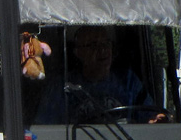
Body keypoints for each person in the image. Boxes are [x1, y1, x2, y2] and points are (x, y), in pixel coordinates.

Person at [38, 26, 166, 123]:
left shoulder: (128, 81)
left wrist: (156, 120)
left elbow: (150, 117)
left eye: (106, 44)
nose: (103, 50)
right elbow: (46, 129)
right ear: (78, 52)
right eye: (93, 45)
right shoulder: (62, 86)